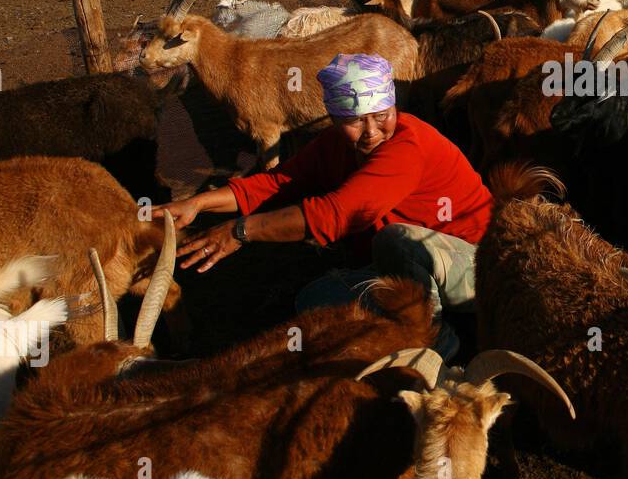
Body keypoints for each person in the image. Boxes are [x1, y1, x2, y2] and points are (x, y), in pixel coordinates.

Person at [154, 53, 492, 355]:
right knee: (315, 300)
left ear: (394, 108)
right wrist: (199, 203)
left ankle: (438, 343)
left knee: (395, 241)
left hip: (478, 265)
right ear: (333, 119)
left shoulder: (407, 147)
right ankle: (406, 320)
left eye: (381, 115)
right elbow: (278, 183)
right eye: (355, 120)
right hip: (410, 265)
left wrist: (240, 231)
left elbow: (337, 214)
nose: (371, 131)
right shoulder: (333, 145)